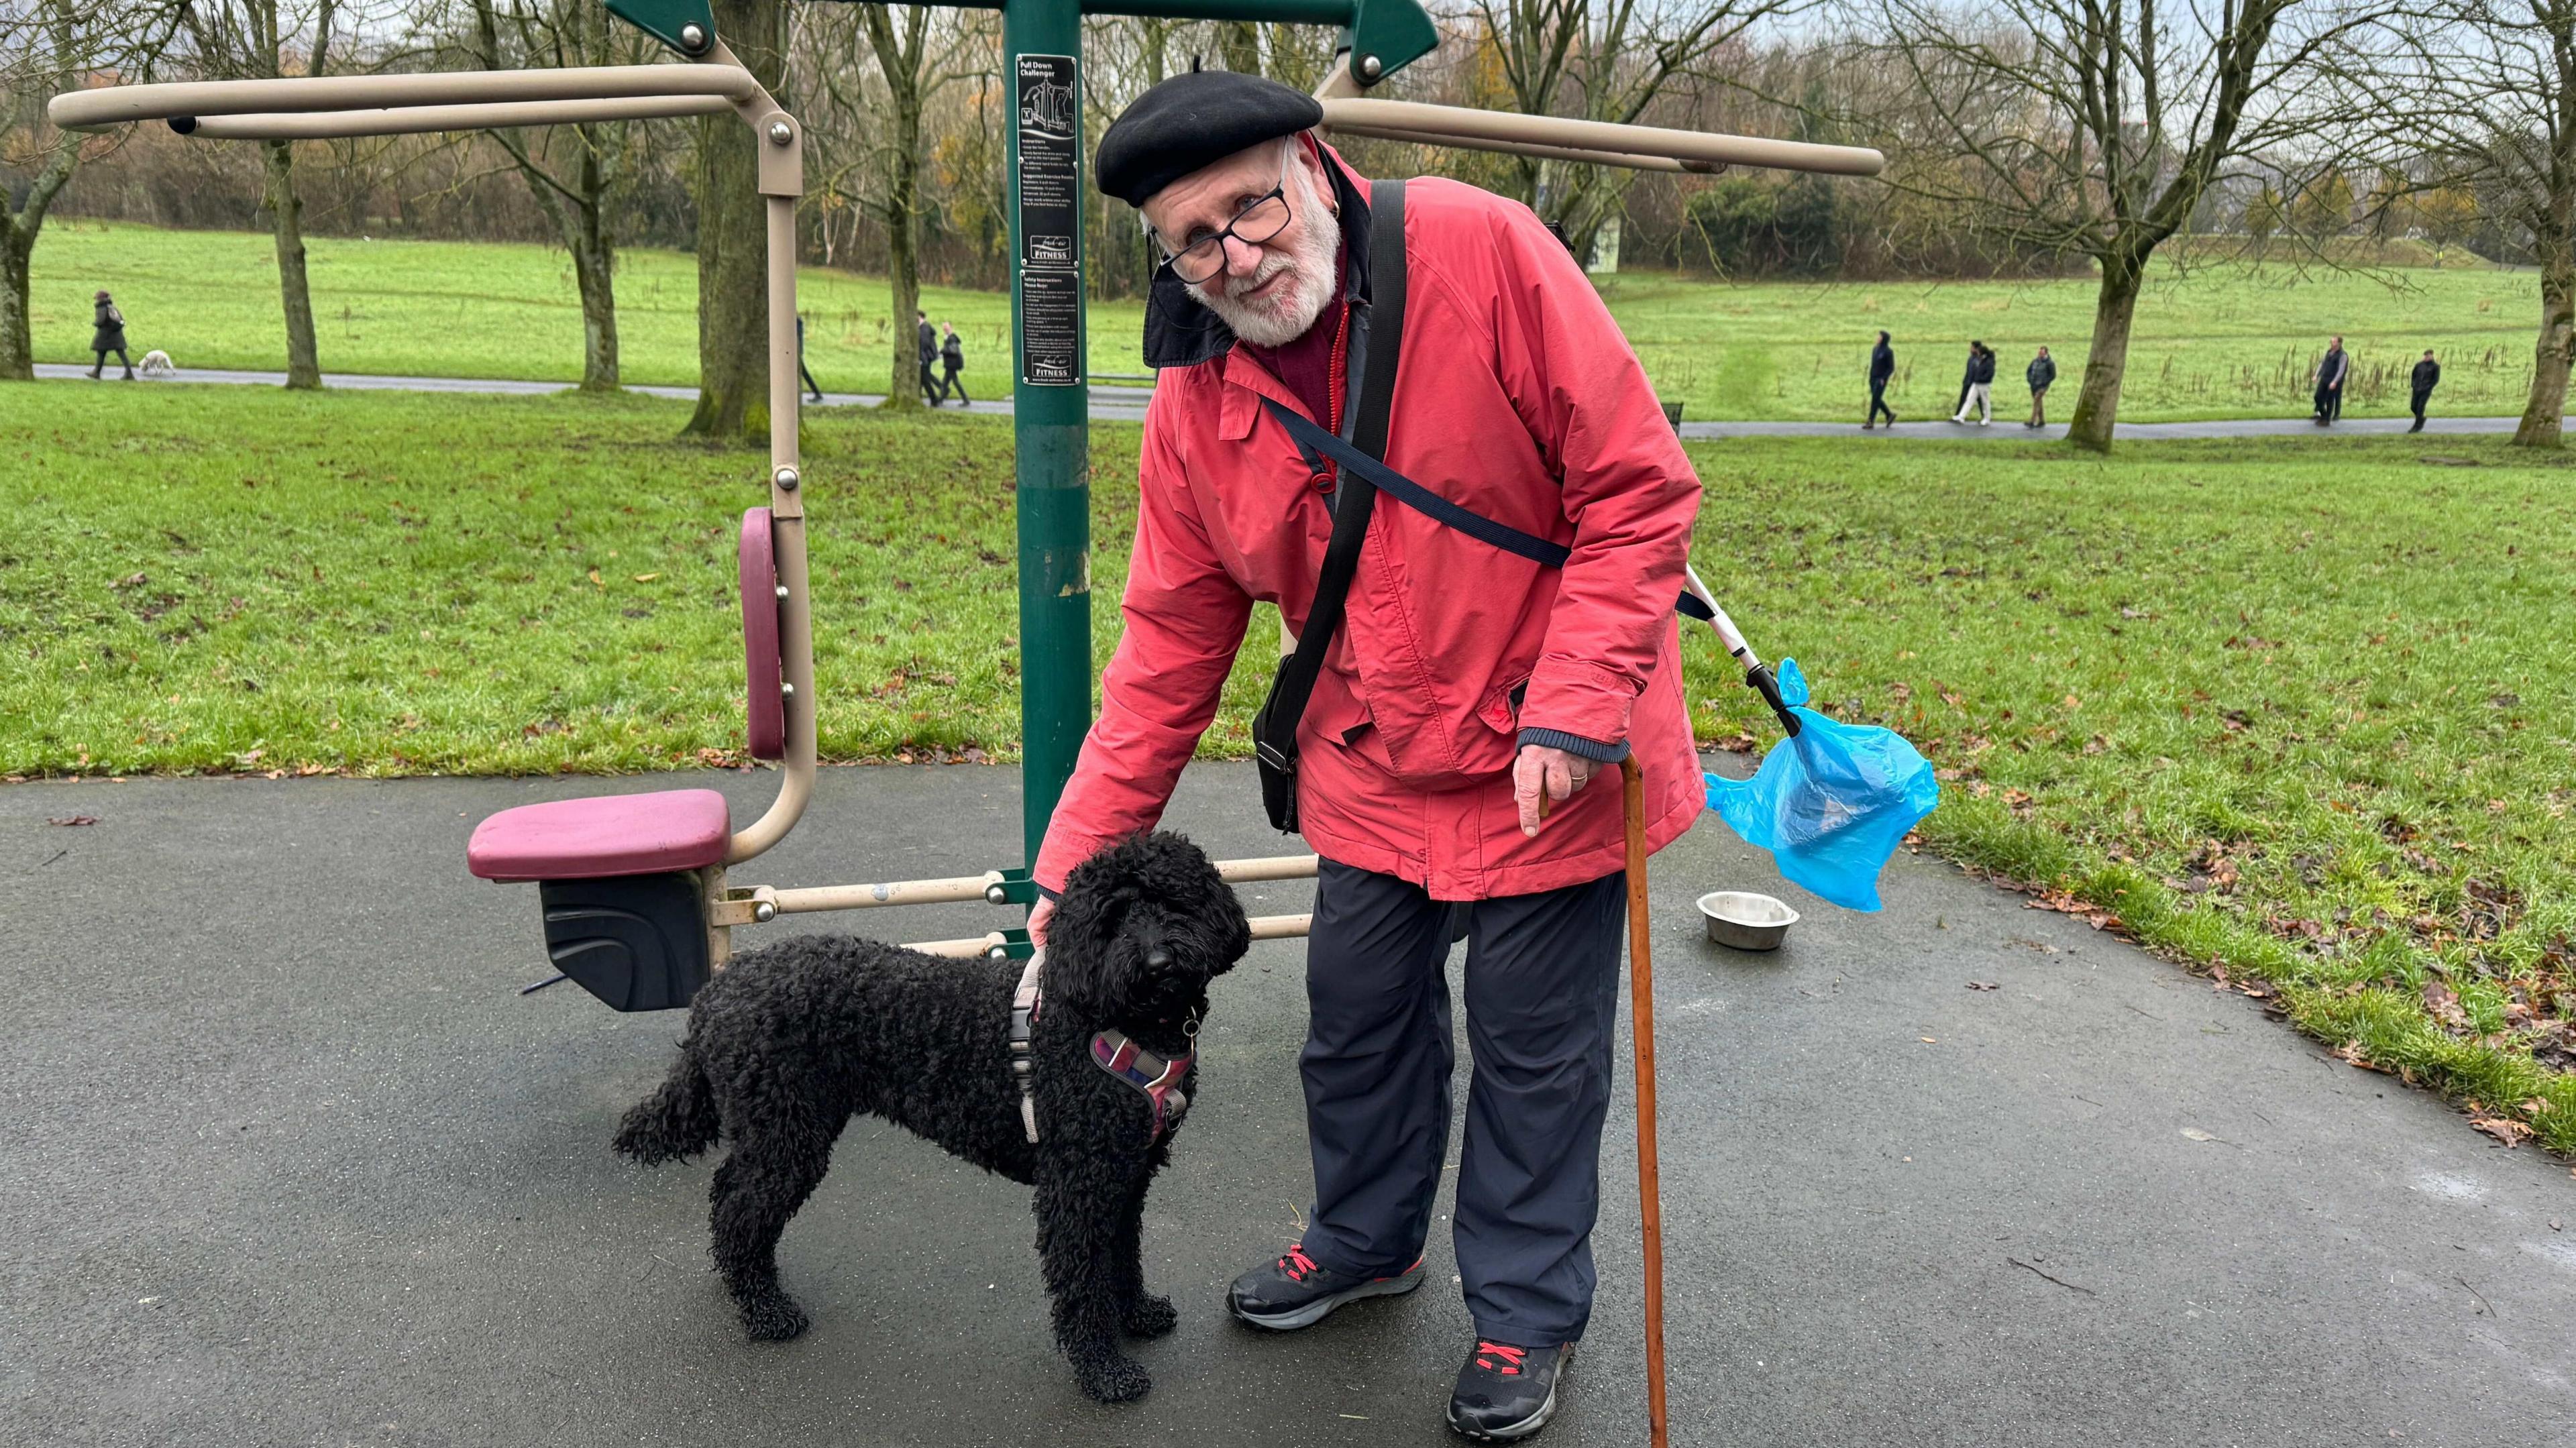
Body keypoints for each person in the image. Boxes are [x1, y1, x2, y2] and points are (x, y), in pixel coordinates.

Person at [1024, 69, 1703, 1441]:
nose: (1238, 255)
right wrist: (1064, 886)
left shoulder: (1482, 248)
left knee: (1533, 1053)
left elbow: (1640, 489)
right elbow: (1162, 657)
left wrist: (1577, 705)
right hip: (1374, 765)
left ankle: (1521, 1306)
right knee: (1357, 1025)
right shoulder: (1193, 400)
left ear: (1312, 164)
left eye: (1252, 207)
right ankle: (1365, 1236)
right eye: (1193, 240)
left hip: (1544, 759)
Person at [89, 290, 134, 381]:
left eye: (97, 298)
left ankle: (96, 373)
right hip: (117, 335)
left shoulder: (101, 308)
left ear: (100, 299)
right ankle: (129, 373)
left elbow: (100, 321)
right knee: (121, 354)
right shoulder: (112, 307)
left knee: (101, 353)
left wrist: (95, 324)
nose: (96, 301)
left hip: (105, 336)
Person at [1953, 341, 1993, 425]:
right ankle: (1961, 416)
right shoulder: (1980, 360)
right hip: (1976, 383)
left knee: (1985, 402)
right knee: (1969, 399)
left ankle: (1987, 418)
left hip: (1983, 385)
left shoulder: (1988, 362)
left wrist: (1981, 379)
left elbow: (1990, 374)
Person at [2312, 335, 2349, 424]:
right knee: (2317, 397)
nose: (2332, 344)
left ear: (2339, 344)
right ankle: (2323, 414)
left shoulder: (2343, 355)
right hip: (2324, 378)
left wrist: (2335, 381)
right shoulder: (2329, 352)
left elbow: (2341, 370)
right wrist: (2316, 375)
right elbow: (2322, 364)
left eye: (2334, 342)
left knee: (2330, 400)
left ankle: (2327, 420)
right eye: (2331, 342)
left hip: (2333, 381)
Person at [1866, 330, 1896, 429]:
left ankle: (1870, 421)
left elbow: (1891, 368)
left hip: (1881, 379)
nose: (1877, 338)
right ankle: (1889, 414)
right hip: (1873, 378)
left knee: (1875, 400)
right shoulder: (1875, 349)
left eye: (1880, 337)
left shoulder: (1888, 352)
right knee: (1877, 398)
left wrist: (1884, 378)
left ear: (1884, 339)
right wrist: (1870, 376)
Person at [2024, 345, 2056, 429]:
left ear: (2046, 353)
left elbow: (2052, 375)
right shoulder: (2035, 361)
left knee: (2036, 401)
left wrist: (2044, 382)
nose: (2040, 354)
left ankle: (2032, 421)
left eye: (2042, 353)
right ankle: (2042, 421)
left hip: (2043, 386)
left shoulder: (2050, 363)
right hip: (2034, 385)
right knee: (2039, 402)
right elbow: (2029, 371)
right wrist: (2029, 379)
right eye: (2039, 353)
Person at [2409, 349, 2439, 433]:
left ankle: (2417, 426)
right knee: (2413, 407)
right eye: (2426, 356)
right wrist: (2413, 385)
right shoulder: (2419, 365)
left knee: (2420, 408)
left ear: (2432, 356)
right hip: (2417, 389)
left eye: (2429, 356)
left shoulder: (2435, 367)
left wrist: (2428, 387)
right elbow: (2414, 375)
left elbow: (2435, 380)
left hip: (2426, 391)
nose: (2427, 357)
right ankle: (2421, 419)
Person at [938, 323, 968, 405]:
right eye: (944, 328)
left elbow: (953, 351)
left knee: (955, 382)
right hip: (950, 363)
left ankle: (966, 400)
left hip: (952, 364)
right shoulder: (949, 338)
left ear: (951, 328)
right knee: (945, 382)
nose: (945, 330)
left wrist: (941, 351)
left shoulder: (952, 339)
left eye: (947, 328)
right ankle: (940, 399)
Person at [796, 315, 824, 403]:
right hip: (796, 351)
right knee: (803, 372)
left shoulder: (795, 322)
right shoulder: (797, 321)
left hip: (795, 351)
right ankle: (817, 393)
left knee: (803, 372)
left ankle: (817, 393)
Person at [916, 309, 941, 406]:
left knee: (925, 380)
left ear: (920, 317)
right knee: (922, 379)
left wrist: (920, 358)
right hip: (925, 357)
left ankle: (934, 400)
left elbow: (924, 344)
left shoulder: (924, 328)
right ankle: (921, 397)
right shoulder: (923, 327)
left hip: (925, 358)